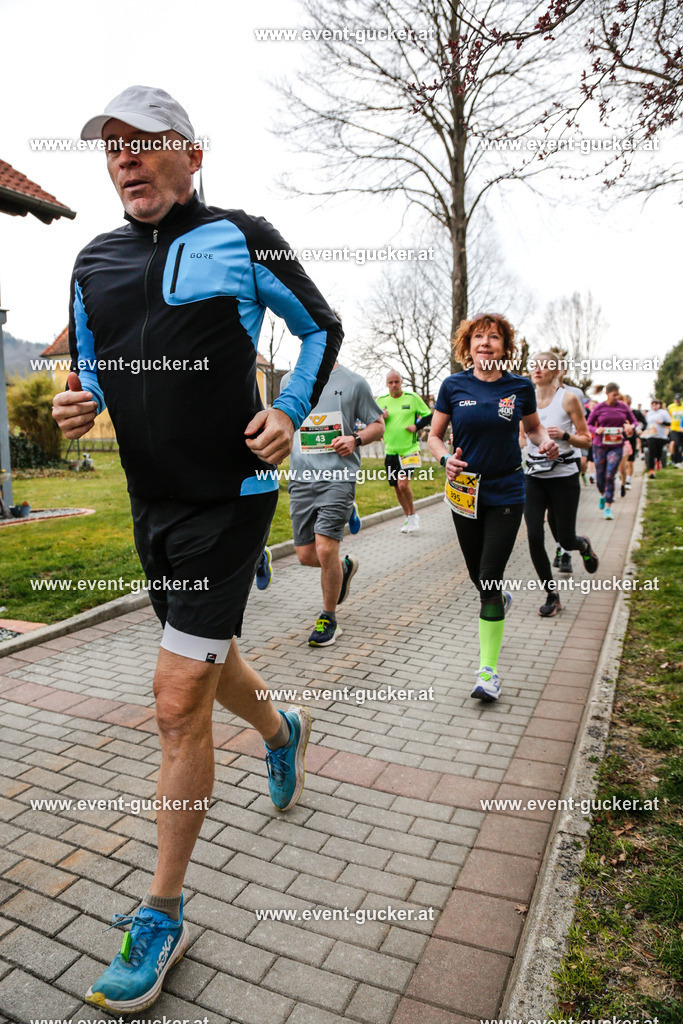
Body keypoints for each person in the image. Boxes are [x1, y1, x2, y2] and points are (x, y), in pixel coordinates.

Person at [51, 86, 343, 1014]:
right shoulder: (90, 259)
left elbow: (318, 328)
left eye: (144, 144)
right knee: (205, 663)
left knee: (175, 696)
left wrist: (288, 410)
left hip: (234, 494)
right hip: (152, 503)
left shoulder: (242, 234)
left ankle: (161, 913)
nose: (125, 160)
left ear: (191, 153)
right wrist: (79, 398)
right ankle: (280, 728)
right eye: (113, 149)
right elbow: (88, 360)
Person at [428, 314, 559, 702]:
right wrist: (443, 459)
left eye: (494, 337)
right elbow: (435, 436)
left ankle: (488, 672)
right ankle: (499, 601)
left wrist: (542, 442)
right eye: (478, 337)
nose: (486, 343)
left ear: (505, 346)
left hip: (506, 490)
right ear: (467, 346)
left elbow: (533, 428)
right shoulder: (453, 385)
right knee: (477, 576)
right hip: (465, 491)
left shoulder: (519, 387)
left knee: (488, 576)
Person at [283, 356, 384, 645]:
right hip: (301, 479)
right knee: (305, 555)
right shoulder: (290, 381)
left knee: (326, 550)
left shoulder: (354, 382)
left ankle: (329, 617)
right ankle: (344, 568)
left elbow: (377, 425)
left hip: (338, 478)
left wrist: (356, 439)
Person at [521, 353, 599, 617]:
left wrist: (564, 436)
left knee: (564, 537)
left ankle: (583, 545)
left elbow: (587, 440)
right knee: (534, 536)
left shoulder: (568, 398)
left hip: (564, 477)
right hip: (533, 478)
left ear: (557, 371)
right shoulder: (525, 398)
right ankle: (551, 594)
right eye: (534, 365)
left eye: (544, 365)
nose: (537, 369)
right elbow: (522, 438)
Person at [376, 370, 432, 532]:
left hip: (409, 450)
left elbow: (428, 415)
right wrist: (380, 417)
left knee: (403, 484)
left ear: (401, 382)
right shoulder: (381, 401)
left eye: (397, 382)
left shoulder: (412, 398)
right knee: (396, 487)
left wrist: (417, 426)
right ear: (387, 384)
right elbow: (371, 420)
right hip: (390, 451)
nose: (394, 385)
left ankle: (413, 515)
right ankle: (409, 517)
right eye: (390, 382)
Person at [587, 383, 638, 520]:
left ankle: (608, 507)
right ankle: (602, 494)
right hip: (600, 445)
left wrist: (630, 426)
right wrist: (596, 430)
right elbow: (588, 424)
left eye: (618, 394)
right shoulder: (599, 408)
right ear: (607, 394)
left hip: (616, 445)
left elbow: (635, 422)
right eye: (614, 394)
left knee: (610, 474)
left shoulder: (623, 407)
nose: (617, 397)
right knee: (600, 475)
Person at [618, 395, 641, 495]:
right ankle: (612, 489)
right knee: (616, 466)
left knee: (628, 463)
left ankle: (626, 481)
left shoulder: (633, 412)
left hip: (628, 441)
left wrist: (632, 427)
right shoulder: (609, 412)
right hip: (612, 442)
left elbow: (637, 423)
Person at [644, 399, 672, 479]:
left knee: (659, 451)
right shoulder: (649, 414)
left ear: (659, 405)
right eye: (652, 405)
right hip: (651, 435)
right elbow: (647, 424)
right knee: (651, 452)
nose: (654, 407)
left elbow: (669, 423)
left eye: (656, 405)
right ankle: (651, 470)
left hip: (661, 436)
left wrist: (662, 422)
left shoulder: (663, 413)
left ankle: (658, 461)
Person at [668, 392, 683, 465]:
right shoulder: (671, 407)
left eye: (678, 399)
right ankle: (675, 459)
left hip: (682, 428)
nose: (677, 401)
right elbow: (668, 417)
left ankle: (680, 459)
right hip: (674, 428)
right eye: (676, 399)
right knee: (676, 443)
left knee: (681, 444)